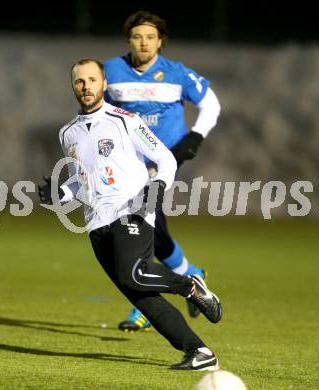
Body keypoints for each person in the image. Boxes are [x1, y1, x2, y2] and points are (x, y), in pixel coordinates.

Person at [38, 58, 222, 370]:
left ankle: (190, 286)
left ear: (104, 84)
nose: (86, 86)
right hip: (96, 223)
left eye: (92, 80)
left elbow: (165, 159)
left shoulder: (125, 119)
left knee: (133, 273)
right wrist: (63, 193)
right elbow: (80, 180)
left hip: (132, 209)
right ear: (73, 86)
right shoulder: (67, 133)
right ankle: (200, 353)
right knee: (141, 297)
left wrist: (156, 190)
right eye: (80, 81)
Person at [104, 10, 221, 331]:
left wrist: (194, 137)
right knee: (152, 231)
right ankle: (192, 275)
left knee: (140, 224)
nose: (144, 43)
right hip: (128, 161)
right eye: (138, 36)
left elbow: (211, 104)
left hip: (163, 160)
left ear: (161, 42)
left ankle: (144, 305)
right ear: (129, 39)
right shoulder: (111, 71)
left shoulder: (176, 74)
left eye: (150, 37)